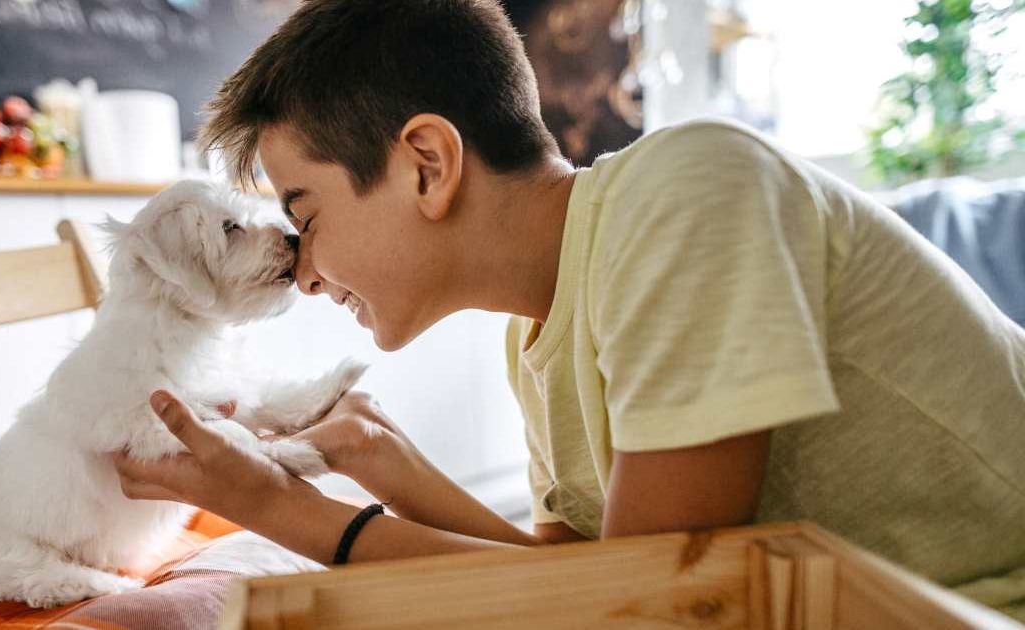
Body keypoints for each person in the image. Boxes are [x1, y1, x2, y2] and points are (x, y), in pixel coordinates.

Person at [112, 0, 1025, 618]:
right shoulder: (538, 329)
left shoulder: (690, 189)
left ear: (427, 163)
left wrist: (289, 514)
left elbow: (648, 605)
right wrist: (389, 465)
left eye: (304, 216)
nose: (303, 275)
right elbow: (568, 579)